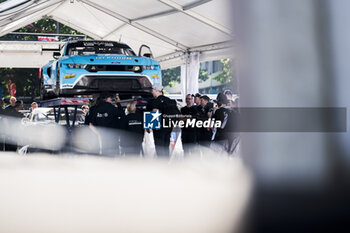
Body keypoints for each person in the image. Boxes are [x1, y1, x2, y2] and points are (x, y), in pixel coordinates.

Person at [150, 83, 176, 157]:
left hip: (159, 128)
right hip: (168, 127)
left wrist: (150, 126)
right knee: (166, 146)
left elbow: (155, 114)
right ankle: (166, 164)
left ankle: (161, 165)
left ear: (156, 90)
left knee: (159, 148)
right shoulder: (169, 100)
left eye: (152, 90)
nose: (152, 92)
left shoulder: (156, 101)